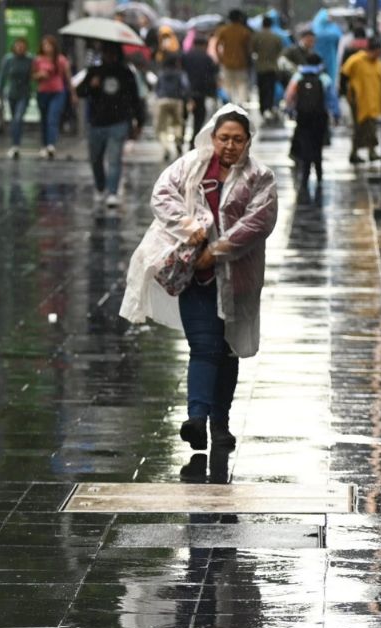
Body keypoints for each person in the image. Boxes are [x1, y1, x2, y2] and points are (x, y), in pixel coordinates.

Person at [120, 105, 277, 452]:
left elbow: (259, 223)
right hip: (196, 278)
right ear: (212, 137)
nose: (230, 146)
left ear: (248, 141)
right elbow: (162, 196)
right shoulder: (190, 167)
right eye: (224, 138)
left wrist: (218, 249)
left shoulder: (260, 178)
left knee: (228, 350)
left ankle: (220, 422)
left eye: (238, 139)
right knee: (204, 346)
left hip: (239, 281)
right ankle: (197, 418)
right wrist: (188, 228)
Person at [77, 42, 143, 207]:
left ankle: (112, 192)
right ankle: (100, 187)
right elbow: (80, 91)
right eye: (107, 53)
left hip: (118, 122)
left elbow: (135, 98)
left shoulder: (126, 73)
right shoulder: (94, 71)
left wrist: (138, 120)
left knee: (114, 159)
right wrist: (91, 85)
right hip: (96, 122)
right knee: (95, 159)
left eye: (113, 53)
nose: (110, 57)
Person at [285, 52, 339, 200]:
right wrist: (335, 114)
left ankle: (305, 175)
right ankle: (320, 175)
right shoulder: (324, 78)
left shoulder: (298, 77)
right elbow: (331, 98)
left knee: (305, 144)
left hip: (302, 118)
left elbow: (289, 96)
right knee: (317, 145)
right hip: (320, 118)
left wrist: (289, 111)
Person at [341, 37, 381, 165]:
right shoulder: (356, 60)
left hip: (373, 102)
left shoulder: (378, 64)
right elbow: (343, 75)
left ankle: (371, 151)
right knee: (359, 128)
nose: (378, 54)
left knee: (371, 127)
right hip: (358, 101)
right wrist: (346, 94)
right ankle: (355, 152)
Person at [0, 36, 34, 159]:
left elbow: (34, 74)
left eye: (22, 45)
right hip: (12, 93)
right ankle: (15, 144)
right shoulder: (8, 59)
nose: (20, 48)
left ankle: (16, 144)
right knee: (13, 119)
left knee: (18, 117)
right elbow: (2, 77)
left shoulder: (30, 59)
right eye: (18, 45)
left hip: (24, 93)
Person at [32, 34, 70, 159]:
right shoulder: (38, 60)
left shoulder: (61, 60)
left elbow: (67, 78)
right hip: (43, 92)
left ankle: (51, 145)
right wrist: (40, 75)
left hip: (57, 91)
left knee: (52, 117)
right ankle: (44, 144)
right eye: (45, 45)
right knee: (44, 119)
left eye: (49, 45)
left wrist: (72, 93)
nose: (47, 48)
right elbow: (33, 76)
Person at [182, 36, 219, 150]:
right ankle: (193, 140)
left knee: (184, 116)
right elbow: (211, 76)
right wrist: (212, 92)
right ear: (204, 45)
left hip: (186, 93)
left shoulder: (185, 56)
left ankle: (181, 138)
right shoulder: (207, 58)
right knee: (199, 118)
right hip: (200, 93)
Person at [213, 10, 253, 106]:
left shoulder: (224, 30)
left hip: (227, 63)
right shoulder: (244, 31)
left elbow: (216, 45)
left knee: (228, 87)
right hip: (241, 63)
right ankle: (240, 105)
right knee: (241, 86)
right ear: (239, 18)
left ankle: (228, 105)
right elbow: (249, 49)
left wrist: (220, 58)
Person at [154, 53, 190, 160]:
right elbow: (186, 87)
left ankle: (166, 148)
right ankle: (178, 141)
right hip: (176, 100)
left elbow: (156, 88)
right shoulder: (180, 74)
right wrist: (185, 98)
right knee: (177, 124)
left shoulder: (161, 73)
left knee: (162, 127)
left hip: (162, 100)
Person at [251, 16, 284, 120]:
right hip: (272, 67)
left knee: (261, 89)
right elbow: (280, 51)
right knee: (270, 89)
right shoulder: (276, 37)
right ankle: (268, 107)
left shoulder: (256, 36)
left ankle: (263, 108)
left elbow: (252, 50)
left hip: (260, 67)